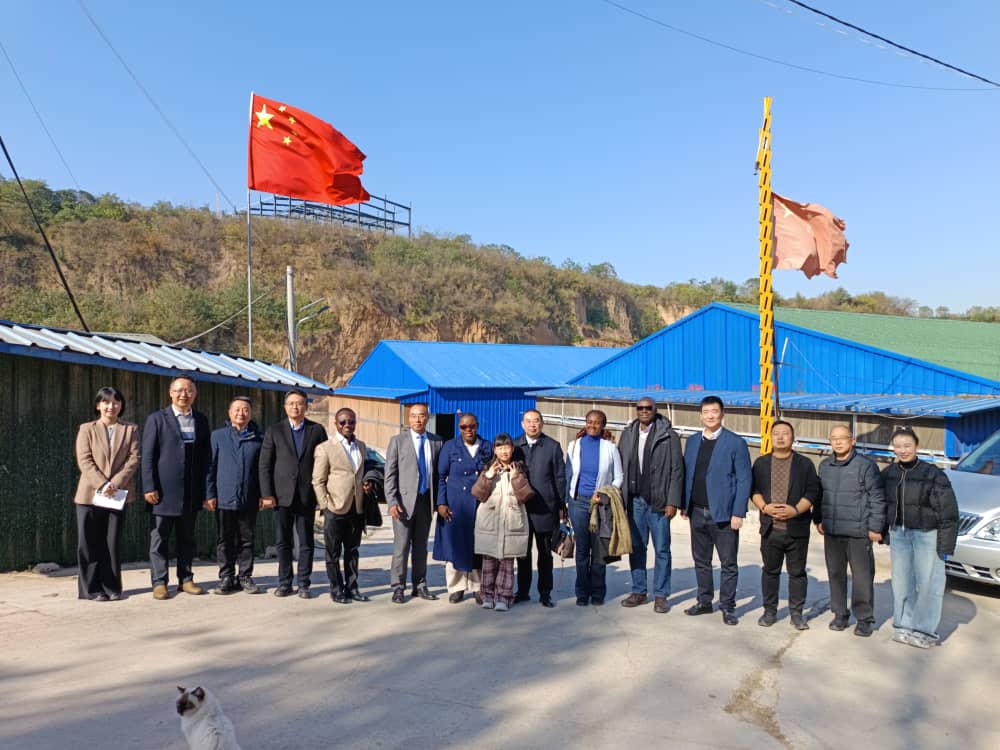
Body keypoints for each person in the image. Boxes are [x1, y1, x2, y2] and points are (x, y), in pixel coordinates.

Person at [881, 427, 959, 648]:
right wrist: (882, 530)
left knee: (928, 584)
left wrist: (945, 544)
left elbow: (948, 511)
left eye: (907, 445)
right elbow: (882, 504)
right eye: (898, 446)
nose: (903, 450)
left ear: (917, 446)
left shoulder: (933, 474)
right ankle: (903, 626)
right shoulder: (888, 473)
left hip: (927, 535)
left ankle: (924, 631)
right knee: (901, 583)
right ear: (893, 448)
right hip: (899, 534)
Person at [682, 396, 752, 625]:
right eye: (706, 412)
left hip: (723, 514)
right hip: (697, 511)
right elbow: (688, 475)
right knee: (701, 561)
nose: (710, 416)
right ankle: (704, 601)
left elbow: (744, 479)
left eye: (714, 411)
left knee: (728, 563)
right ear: (700, 415)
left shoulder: (735, 443)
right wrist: (685, 504)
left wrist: (738, 512)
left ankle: (727, 606)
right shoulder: (693, 441)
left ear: (722, 414)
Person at [142, 375, 212, 600]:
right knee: (159, 539)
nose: (184, 394)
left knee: (187, 539)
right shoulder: (157, 419)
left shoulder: (201, 420)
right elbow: (148, 456)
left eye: (189, 390)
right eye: (179, 390)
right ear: (171, 393)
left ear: (195, 394)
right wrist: (149, 486)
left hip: (190, 492)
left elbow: (206, 458)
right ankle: (159, 582)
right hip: (163, 492)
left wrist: (206, 491)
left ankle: (186, 579)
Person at [815, 424, 886, 637]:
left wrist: (875, 526)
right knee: (835, 574)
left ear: (852, 440)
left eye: (842, 438)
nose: (838, 442)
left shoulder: (866, 466)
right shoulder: (825, 466)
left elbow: (877, 497)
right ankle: (840, 614)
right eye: (834, 439)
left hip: (858, 532)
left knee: (862, 577)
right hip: (832, 531)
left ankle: (864, 619)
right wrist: (818, 518)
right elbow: (819, 495)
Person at [750, 420, 820, 630]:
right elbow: (753, 490)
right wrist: (765, 507)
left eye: (785, 433)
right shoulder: (761, 463)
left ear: (793, 438)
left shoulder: (804, 464)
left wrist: (795, 510)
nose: (780, 437)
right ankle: (769, 611)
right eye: (776, 433)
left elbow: (813, 491)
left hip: (796, 528)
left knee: (797, 573)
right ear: (770, 437)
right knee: (770, 572)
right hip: (770, 529)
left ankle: (796, 613)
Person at [259, 389, 328, 599]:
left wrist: (323, 494)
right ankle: (285, 582)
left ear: (306, 406)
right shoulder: (275, 430)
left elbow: (325, 463)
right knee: (283, 541)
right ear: (285, 407)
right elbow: (265, 464)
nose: (295, 407)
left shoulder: (316, 430)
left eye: (299, 403)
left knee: (306, 542)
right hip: (281, 496)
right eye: (291, 403)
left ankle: (304, 583)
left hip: (307, 495)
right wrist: (267, 494)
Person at [73, 386, 141, 601]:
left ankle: (111, 587)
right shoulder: (87, 429)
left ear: (121, 405)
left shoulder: (130, 429)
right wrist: (103, 484)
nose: (111, 406)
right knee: (89, 542)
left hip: (116, 493)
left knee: (111, 542)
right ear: (98, 405)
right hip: (89, 494)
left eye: (116, 402)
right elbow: (84, 460)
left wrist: (115, 483)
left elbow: (134, 458)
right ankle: (91, 589)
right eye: (106, 402)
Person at [619, 398, 684, 614]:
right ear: (636, 410)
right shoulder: (628, 434)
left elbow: (677, 471)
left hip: (659, 502)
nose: (644, 411)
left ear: (655, 410)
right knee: (637, 547)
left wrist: (673, 501)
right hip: (635, 501)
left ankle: (661, 595)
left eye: (648, 408)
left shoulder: (669, 435)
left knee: (662, 549)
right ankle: (639, 591)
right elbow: (620, 464)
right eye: (640, 408)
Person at [204, 396, 263, 595]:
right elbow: (210, 467)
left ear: (251, 413)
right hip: (224, 497)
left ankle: (245, 576)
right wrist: (210, 494)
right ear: (229, 413)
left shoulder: (258, 438)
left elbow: (263, 470)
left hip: (249, 497)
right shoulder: (218, 436)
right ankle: (226, 576)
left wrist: (264, 495)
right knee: (225, 539)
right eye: (237, 409)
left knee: (247, 539)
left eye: (245, 409)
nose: (241, 413)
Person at [384, 403, 443, 603]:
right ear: (409, 419)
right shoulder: (398, 441)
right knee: (401, 548)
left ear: (428, 418)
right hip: (403, 503)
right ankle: (398, 587)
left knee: (421, 547)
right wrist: (392, 501)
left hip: (426, 501)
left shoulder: (436, 442)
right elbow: (390, 475)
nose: (418, 420)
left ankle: (419, 585)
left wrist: (439, 502)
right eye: (414, 416)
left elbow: (439, 475)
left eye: (422, 416)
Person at [312, 407, 370, 604]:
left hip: (356, 507)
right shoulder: (325, 448)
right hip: (335, 508)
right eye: (343, 422)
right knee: (333, 553)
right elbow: (318, 481)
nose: (347, 425)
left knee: (352, 550)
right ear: (336, 424)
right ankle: (336, 589)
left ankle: (352, 588)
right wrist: (325, 505)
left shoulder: (361, 446)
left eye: (351, 422)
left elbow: (361, 473)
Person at [565, 410, 623, 606]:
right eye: (589, 422)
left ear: (603, 425)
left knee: (599, 550)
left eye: (597, 423)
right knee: (582, 549)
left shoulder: (610, 448)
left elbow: (619, 477)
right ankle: (582, 593)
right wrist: (566, 503)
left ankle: (598, 593)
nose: (592, 425)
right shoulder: (574, 446)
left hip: (600, 504)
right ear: (585, 423)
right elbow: (568, 475)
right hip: (578, 503)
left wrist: (605, 495)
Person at [434, 413, 493, 604]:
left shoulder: (487, 447)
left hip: (479, 503)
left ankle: (477, 587)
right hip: (455, 503)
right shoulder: (450, 446)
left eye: (472, 426)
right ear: (459, 428)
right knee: (455, 545)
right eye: (463, 427)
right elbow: (440, 476)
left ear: (477, 426)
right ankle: (456, 587)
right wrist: (441, 503)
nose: (468, 430)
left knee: (477, 546)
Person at [471, 434, 534, 611]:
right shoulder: (488, 468)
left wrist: (516, 478)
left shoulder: (519, 469)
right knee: (489, 562)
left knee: (507, 563)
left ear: (512, 449)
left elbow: (525, 496)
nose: (504, 451)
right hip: (490, 523)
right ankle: (487, 596)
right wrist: (488, 476)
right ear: (495, 450)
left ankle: (504, 597)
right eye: (500, 448)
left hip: (511, 522)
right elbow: (477, 494)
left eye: (507, 447)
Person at [513, 409, 566, 608]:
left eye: (536, 421)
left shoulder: (552, 446)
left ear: (542, 423)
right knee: (522, 554)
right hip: (521, 509)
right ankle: (523, 591)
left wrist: (561, 505)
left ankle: (545, 593)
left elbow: (560, 478)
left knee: (544, 554)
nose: (532, 425)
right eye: (528, 421)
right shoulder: (515, 447)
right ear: (522, 424)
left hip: (545, 509)